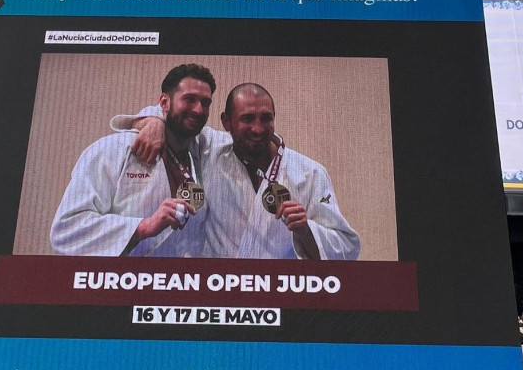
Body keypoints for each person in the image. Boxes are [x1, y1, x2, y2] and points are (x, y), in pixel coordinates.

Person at [119, 82, 361, 260]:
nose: (258, 128)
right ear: (226, 122)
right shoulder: (211, 150)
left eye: (266, 118)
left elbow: (346, 247)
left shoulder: (310, 172)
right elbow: (172, 117)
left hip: (278, 292)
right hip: (217, 288)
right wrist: (154, 123)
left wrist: (305, 230)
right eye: (247, 119)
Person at [50, 64, 216, 256]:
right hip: (121, 273)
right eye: (189, 99)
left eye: (205, 103)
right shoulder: (111, 150)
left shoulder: (205, 152)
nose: (198, 110)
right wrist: (143, 227)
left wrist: (152, 120)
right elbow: (66, 230)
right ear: (164, 102)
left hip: (181, 274)